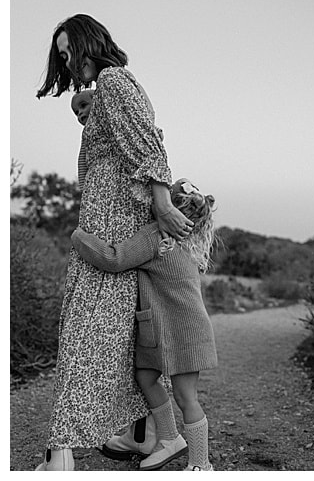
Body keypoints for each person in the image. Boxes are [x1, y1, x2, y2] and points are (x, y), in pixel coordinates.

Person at [34, 13, 194, 471]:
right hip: (111, 225)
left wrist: (163, 205)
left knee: (81, 337)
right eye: (61, 58)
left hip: (109, 230)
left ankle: (60, 455)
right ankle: (144, 433)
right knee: (120, 338)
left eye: (69, 52)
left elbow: (149, 147)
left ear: (90, 43)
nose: (66, 64)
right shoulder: (108, 88)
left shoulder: (114, 80)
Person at [72, 179, 219, 471]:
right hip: (164, 330)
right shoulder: (180, 241)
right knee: (145, 376)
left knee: (186, 397)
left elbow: (114, 258)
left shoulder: (156, 236)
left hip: (185, 333)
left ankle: (201, 465)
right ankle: (168, 439)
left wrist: (79, 236)